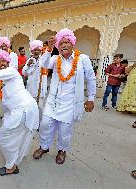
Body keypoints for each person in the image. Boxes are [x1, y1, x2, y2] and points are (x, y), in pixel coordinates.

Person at [33, 28, 96, 165]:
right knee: (45, 124)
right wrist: (49, 48)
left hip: (70, 102)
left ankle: (62, 150)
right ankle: (44, 147)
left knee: (64, 129)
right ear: (58, 46)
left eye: (67, 42)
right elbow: (43, 64)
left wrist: (90, 98)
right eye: (61, 43)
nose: (64, 45)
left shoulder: (82, 59)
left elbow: (91, 78)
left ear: (73, 43)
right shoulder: (55, 59)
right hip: (53, 100)